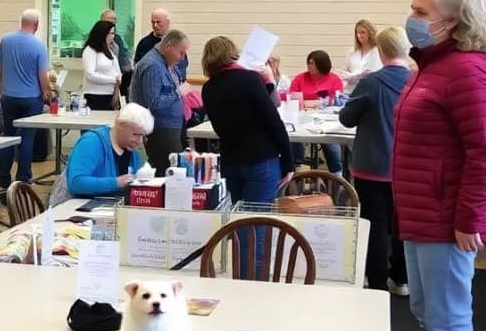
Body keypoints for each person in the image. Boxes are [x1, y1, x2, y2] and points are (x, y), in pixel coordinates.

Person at [390, 0, 486, 331]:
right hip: (418, 211)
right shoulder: (431, 65)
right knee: (427, 314)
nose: (411, 17)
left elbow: (483, 151)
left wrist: (470, 219)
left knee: (450, 319)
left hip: (445, 218)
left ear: (450, 20)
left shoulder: (466, 71)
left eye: (420, 9)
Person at [339, 26, 412, 294]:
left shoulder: (371, 83)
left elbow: (347, 119)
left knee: (375, 226)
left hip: (371, 165)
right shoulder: (417, 80)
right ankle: (402, 278)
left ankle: (377, 281)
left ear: (380, 51)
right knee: (403, 225)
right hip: (407, 167)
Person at [201, 36, 294, 206]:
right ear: (232, 53)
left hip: (231, 159)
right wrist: (288, 162)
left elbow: (218, 127)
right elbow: (273, 121)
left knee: (239, 216)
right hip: (260, 157)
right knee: (256, 219)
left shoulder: (208, 88)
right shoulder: (250, 79)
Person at [0, 8, 50, 187]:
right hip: (30, 99)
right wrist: (47, 93)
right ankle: (23, 178)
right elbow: (42, 75)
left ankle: (3, 178)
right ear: (36, 25)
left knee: (7, 138)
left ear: (22, 22)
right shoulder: (38, 46)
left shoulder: (6, 40)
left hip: (8, 97)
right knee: (27, 139)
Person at [129, 29, 190, 171]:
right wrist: (178, 93)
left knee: (177, 171)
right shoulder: (153, 66)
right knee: (167, 172)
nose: (182, 58)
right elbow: (154, 102)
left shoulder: (167, 64)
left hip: (172, 127)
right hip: (161, 129)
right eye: (181, 53)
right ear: (169, 47)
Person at [64, 103, 152, 198]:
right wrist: (116, 183)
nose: (139, 141)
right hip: (84, 205)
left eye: (143, 136)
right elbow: (76, 183)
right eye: (135, 134)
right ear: (120, 125)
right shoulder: (91, 142)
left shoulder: (133, 152)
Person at [289, 50, 345, 174]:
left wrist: (311, 102)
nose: (309, 65)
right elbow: (292, 99)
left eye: (312, 63)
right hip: (303, 117)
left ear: (321, 64)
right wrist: (313, 103)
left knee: (331, 144)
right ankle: (297, 168)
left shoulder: (334, 79)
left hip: (326, 119)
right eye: (308, 62)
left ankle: (337, 173)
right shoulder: (300, 78)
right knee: (296, 139)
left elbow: (336, 101)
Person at [135, 8, 189, 80]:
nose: (155, 25)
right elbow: (138, 67)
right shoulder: (144, 43)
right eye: (153, 22)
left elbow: (182, 66)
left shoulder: (177, 42)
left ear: (167, 22)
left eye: (158, 22)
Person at [80, 20, 121, 111]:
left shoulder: (109, 50)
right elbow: (90, 74)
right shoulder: (90, 50)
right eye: (110, 33)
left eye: (113, 33)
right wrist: (113, 80)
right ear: (102, 33)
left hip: (110, 94)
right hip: (95, 95)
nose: (112, 36)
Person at [341, 19, 382, 94]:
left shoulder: (378, 51)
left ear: (370, 33)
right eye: (357, 33)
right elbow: (344, 71)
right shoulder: (352, 51)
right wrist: (351, 76)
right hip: (351, 92)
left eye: (362, 32)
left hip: (370, 91)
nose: (359, 35)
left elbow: (378, 72)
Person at [99, 9, 133, 97]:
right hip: (103, 84)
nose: (113, 22)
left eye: (115, 19)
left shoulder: (118, 39)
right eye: (111, 19)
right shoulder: (96, 41)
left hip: (120, 79)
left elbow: (125, 59)